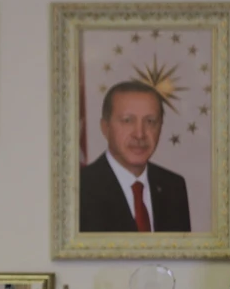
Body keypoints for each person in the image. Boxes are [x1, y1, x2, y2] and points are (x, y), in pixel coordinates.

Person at [79, 80, 191, 233]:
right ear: (105, 127)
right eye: (127, 121)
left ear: (160, 127)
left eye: (150, 121)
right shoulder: (79, 189)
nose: (140, 134)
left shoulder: (173, 187)